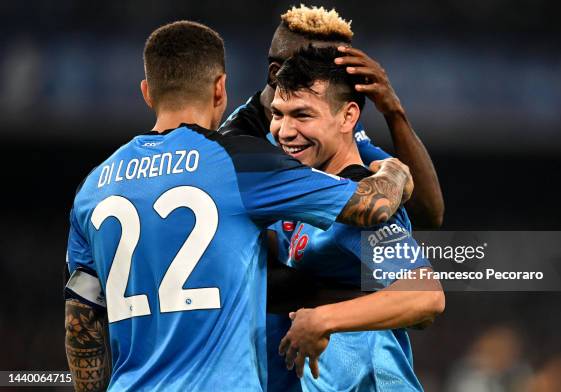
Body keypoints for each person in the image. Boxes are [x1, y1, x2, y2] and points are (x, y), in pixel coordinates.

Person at [63, 21, 412, 392]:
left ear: (147, 93)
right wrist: (394, 170)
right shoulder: (238, 162)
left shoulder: (93, 188)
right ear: (220, 89)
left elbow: (81, 321)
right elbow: (372, 207)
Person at [269, 46, 445, 391]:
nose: (285, 131)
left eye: (303, 115)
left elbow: (425, 296)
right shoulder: (312, 195)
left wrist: (321, 319)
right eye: (279, 114)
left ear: (348, 118)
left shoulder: (360, 202)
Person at [219, 4, 444, 229]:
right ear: (276, 73)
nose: (332, 79)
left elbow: (428, 215)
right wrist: (395, 174)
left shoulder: (325, 126)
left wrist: (394, 112)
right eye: (316, 64)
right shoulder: (239, 142)